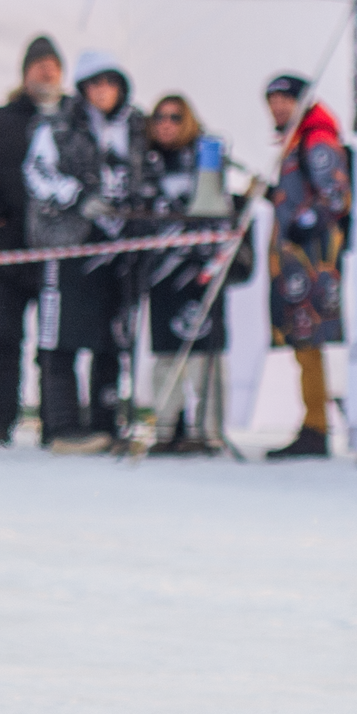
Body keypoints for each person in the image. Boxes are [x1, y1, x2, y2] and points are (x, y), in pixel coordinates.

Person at [25, 49, 145, 453]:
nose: (103, 92)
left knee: (112, 337)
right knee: (60, 335)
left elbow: (150, 171)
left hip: (120, 245)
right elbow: (37, 171)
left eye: (111, 83)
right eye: (96, 83)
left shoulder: (136, 127)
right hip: (70, 243)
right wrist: (76, 197)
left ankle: (105, 422)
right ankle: (60, 425)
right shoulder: (59, 125)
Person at [0, 35, 64, 444]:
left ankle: (56, 422)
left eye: (52, 67)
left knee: (54, 343)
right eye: (39, 66)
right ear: (25, 74)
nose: (46, 73)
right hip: (8, 250)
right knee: (6, 339)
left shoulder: (70, 121)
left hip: (57, 255)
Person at [143, 94, 252, 454]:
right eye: (160, 117)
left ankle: (207, 430)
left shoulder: (209, 158)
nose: (166, 124)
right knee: (165, 354)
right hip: (162, 270)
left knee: (205, 353)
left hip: (201, 270)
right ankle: (165, 427)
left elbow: (222, 209)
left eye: (175, 117)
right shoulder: (147, 160)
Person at [262, 74, 350, 458]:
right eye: (273, 100)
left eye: (286, 99)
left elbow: (335, 195)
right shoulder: (299, 140)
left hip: (312, 263)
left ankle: (316, 426)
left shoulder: (316, 139)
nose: (279, 106)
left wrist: (305, 223)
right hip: (298, 262)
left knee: (309, 341)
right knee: (304, 344)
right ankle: (314, 422)